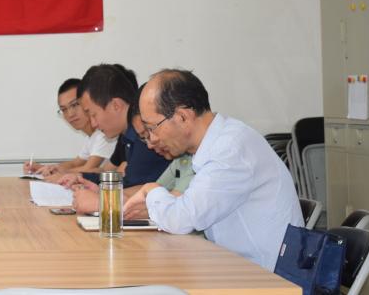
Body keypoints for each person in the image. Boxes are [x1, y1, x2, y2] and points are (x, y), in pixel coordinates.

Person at [123, 69, 302, 271]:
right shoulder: (218, 142)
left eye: (152, 128)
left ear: (182, 116)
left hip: (267, 277)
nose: (152, 140)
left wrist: (151, 190)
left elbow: (181, 220)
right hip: (239, 267)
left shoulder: (229, 150)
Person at [62, 67, 169, 212]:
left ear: (116, 105)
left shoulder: (144, 136)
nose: (93, 124)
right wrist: (85, 178)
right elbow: (121, 178)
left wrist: (100, 199)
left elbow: (137, 190)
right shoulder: (126, 136)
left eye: (93, 115)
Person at [23, 78, 122, 179]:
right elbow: (75, 163)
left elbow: (89, 169)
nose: (70, 114)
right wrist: (45, 168)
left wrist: (56, 172)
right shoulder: (91, 137)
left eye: (75, 105)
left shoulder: (104, 134)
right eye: (64, 109)